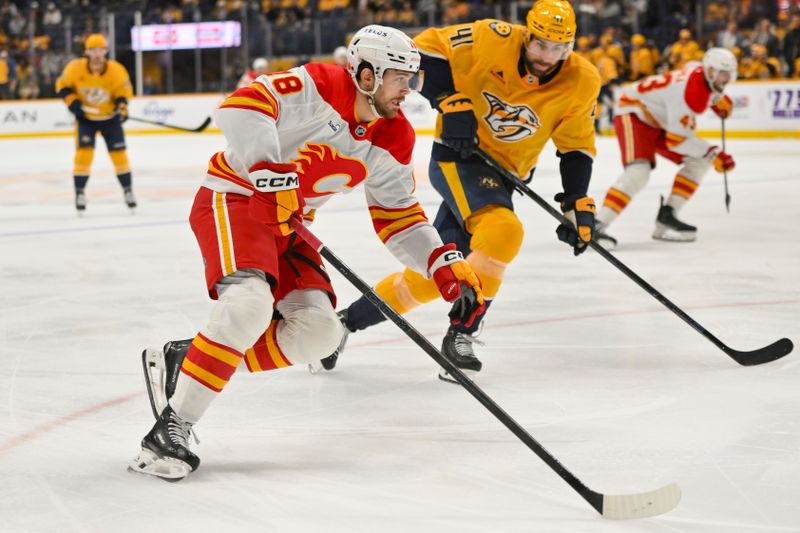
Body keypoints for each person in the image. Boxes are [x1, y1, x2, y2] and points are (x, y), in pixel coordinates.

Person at [127, 25, 486, 481]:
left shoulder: (394, 136)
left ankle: (190, 358)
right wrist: (266, 172)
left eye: (413, 80)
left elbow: (398, 216)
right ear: (367, 74)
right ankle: (170, 429)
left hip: (290, 224)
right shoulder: (320, 84)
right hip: (236, 198)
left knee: (320, 334)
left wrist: (440, 263)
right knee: (248, 307)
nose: (410, 91)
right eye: (401, 78)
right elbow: (240, 108)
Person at [313, 0, 601, 382]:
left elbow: (575, 146)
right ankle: (462, 334)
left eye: (557, 48)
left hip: (506, 175)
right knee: (504, 232)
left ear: (571, 46)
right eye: (540, 44)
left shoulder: (583, 80)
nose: (546, 56)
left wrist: (575, 201)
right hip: (458, 157)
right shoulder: (490, 37)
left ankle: (345, 324)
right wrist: (451, 100)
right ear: (526, 35)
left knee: (436, 274)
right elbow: (423, 51)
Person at [594, 48, 737, 247]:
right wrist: (714, 153)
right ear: (710, 72)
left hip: (657, 118)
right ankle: (597, 223)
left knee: (699, 161)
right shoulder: (690, 95)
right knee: (639, 172)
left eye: (729, 74)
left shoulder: (700, 72)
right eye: (723, 73)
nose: (727, 78)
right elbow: (677, 141)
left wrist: (716, 100)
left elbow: (690, 66)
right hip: (635, 112)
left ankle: (667, 216)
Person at [55, 33, 136, 214]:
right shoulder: (75, 69)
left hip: (110, 119)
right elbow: (62, 86)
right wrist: (72, 102)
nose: (98, 54)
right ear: (86, 52)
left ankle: (128, 191)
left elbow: (123, 92)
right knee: (83, 156)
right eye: (93, 50)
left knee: (119, 155)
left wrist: (122, 107)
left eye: (101, 49)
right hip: (86, 120)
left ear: (106, 51)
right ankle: (80, 193)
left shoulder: (116, 70)